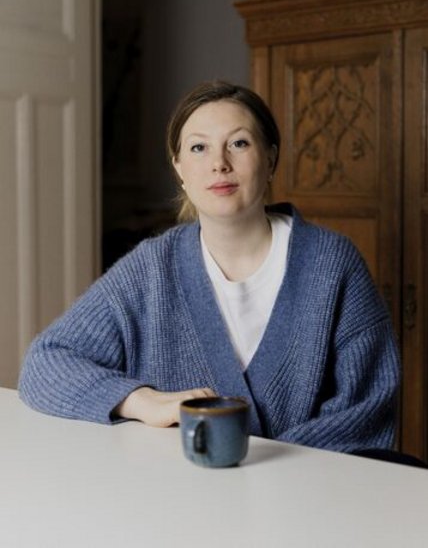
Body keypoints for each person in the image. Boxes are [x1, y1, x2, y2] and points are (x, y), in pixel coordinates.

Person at [18, 80, 400, 454]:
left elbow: (368, 407)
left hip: (308, 488)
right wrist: (142, 401)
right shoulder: (149, 270)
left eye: (239, 143)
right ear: (180, 169)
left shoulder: (332, 264)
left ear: (270, 158)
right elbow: (45, 363)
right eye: (199, 147)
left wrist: (270, 467)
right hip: (183, 491)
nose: (219, 164)